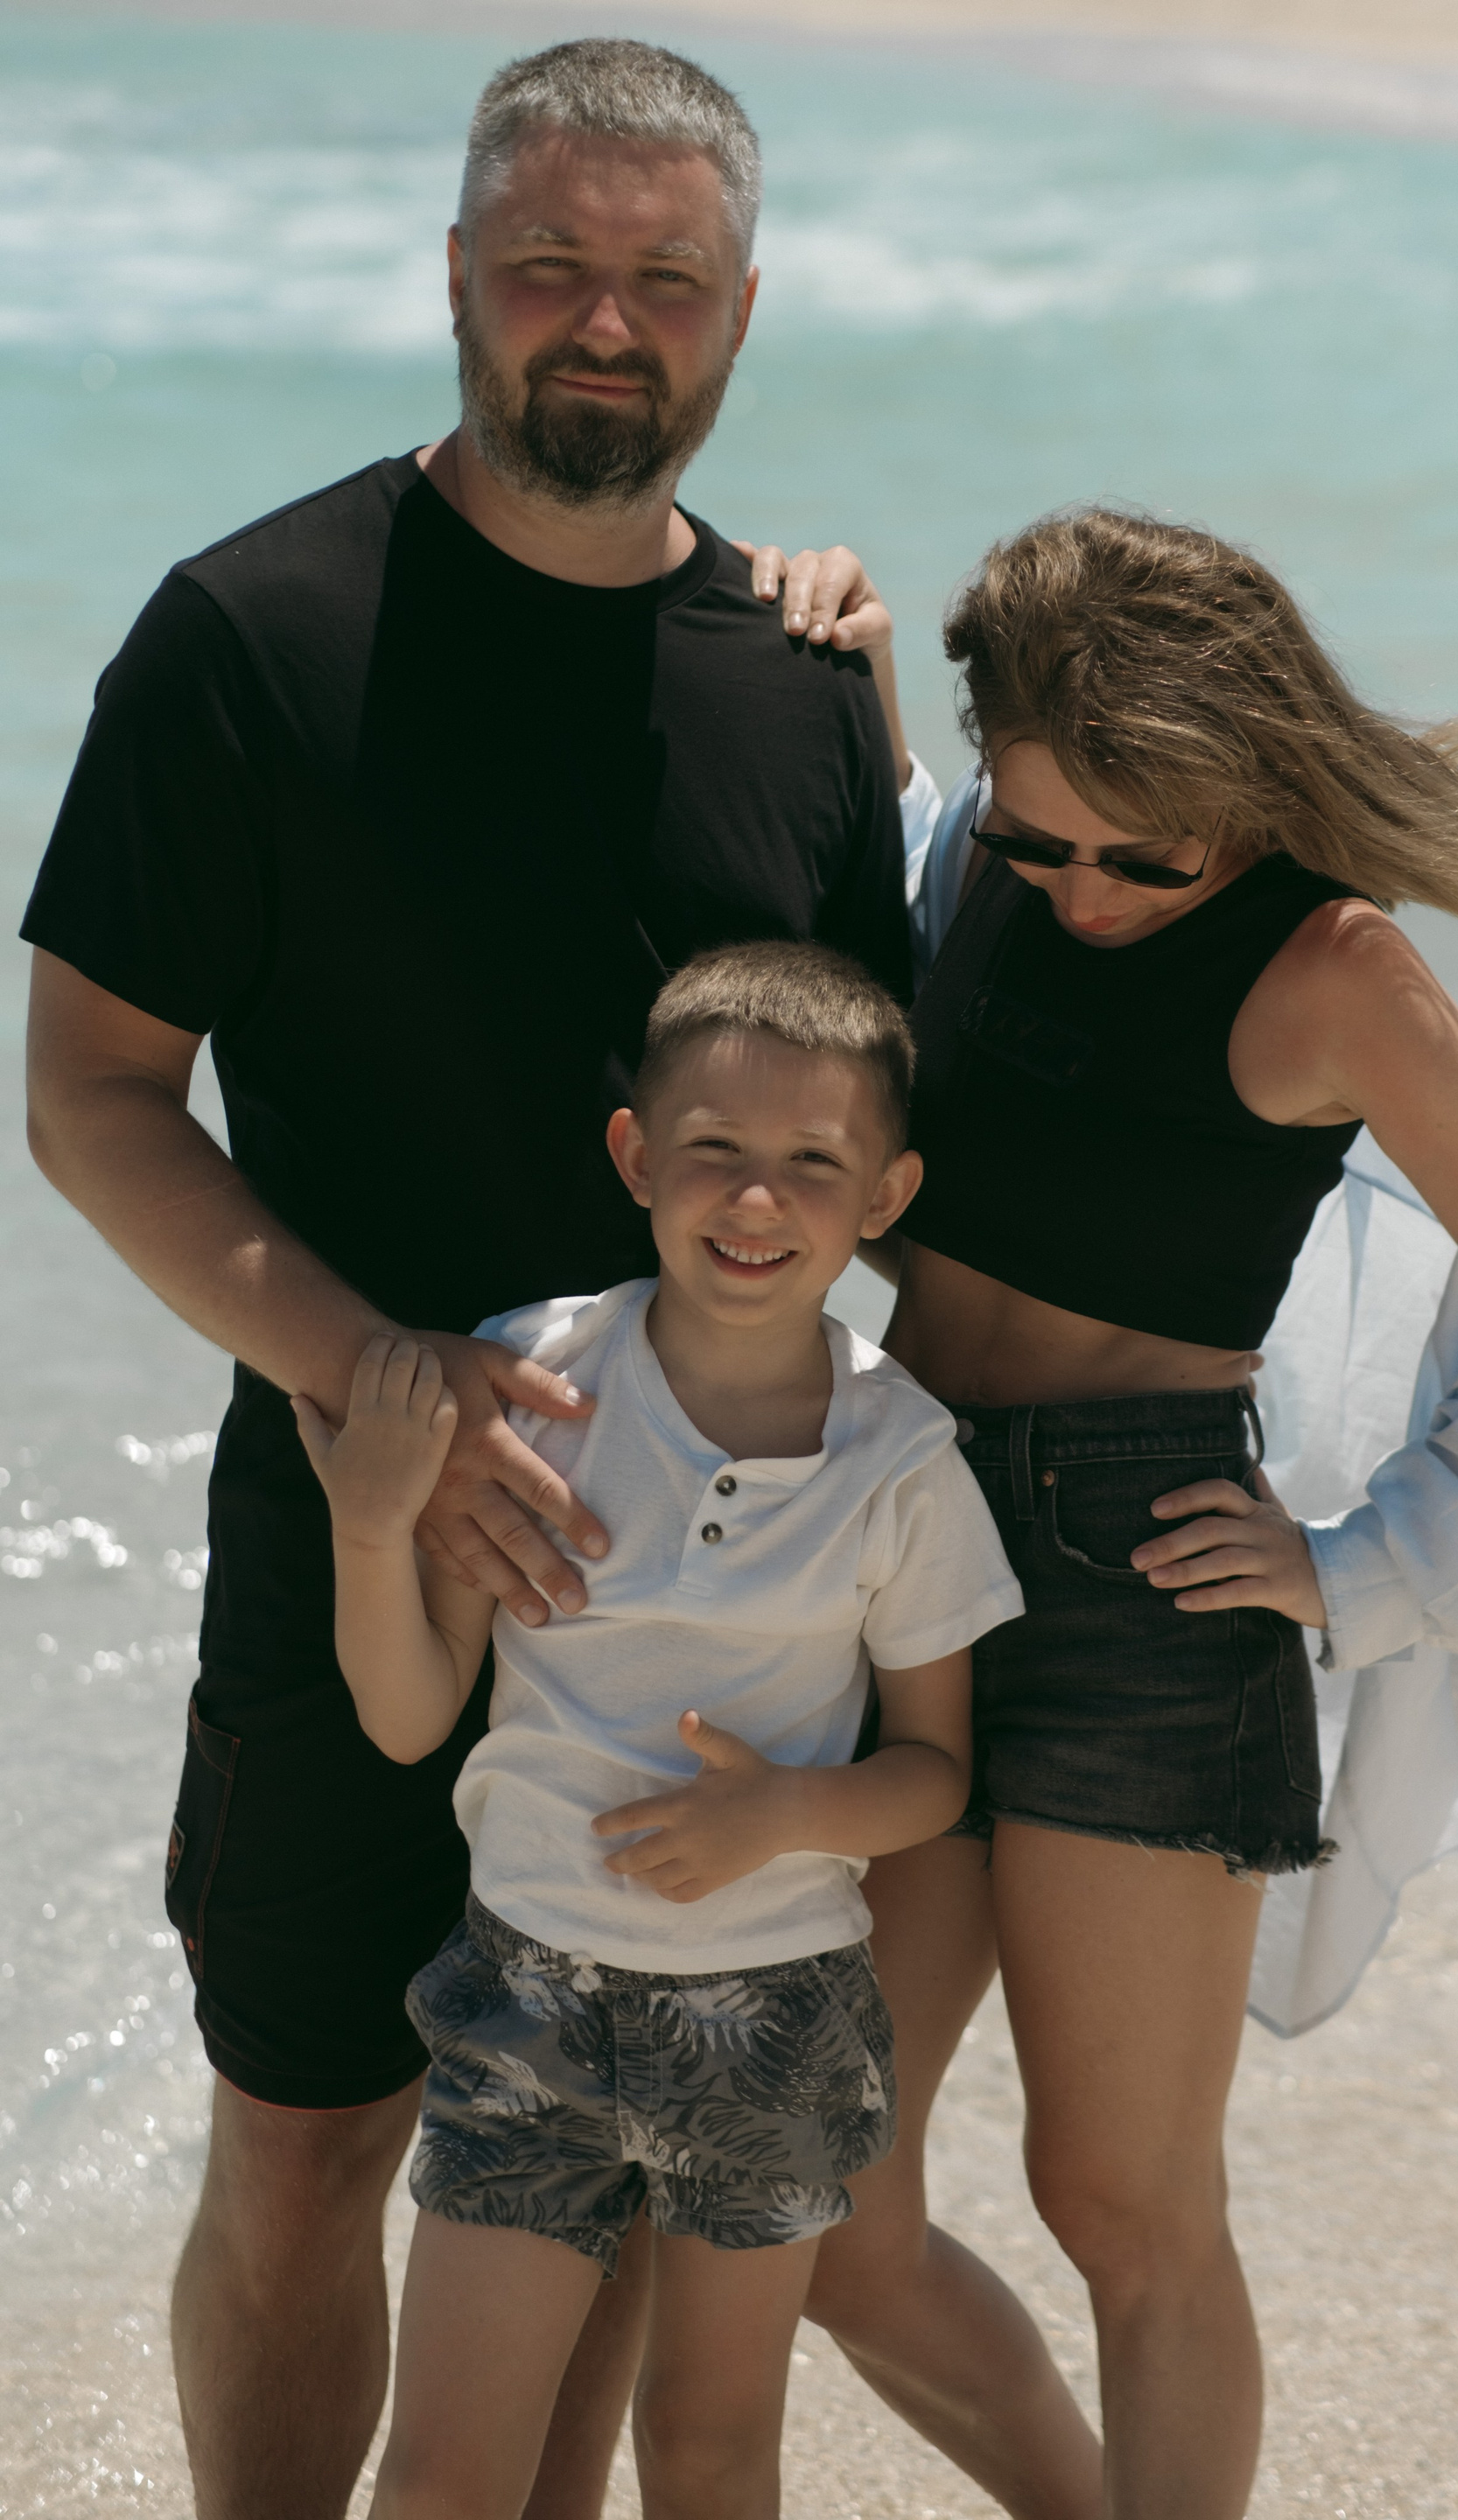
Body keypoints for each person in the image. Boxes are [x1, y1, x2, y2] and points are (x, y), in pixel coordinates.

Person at [20, 39, 914, 2520]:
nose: (604, 323)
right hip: (357, 1514)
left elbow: (870, 1123)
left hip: (704, 1584)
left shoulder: (802, 680)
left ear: (743, 312)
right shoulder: (247, 634)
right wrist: (381, 1389)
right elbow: (91, 1094)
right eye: (550, 265)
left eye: (665, 278)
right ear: (453, 278)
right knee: (310, 2142)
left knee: (609, 2157)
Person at [732, 508, 1458, 2520]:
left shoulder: (1337, 968)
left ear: (1244, 781)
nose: (1082, 890)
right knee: (816, 2196)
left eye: (1143, 857)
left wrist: (1360, 1565)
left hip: (1140, 1581)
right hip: (896, 1534)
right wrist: (853, 651)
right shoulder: (984, 865)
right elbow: (888, 884)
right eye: (1041, 841)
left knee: (1122, 2202)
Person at [291, 940, 1024, 2519]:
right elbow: (411, 1720)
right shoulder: (536, 1383)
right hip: (522, 1997)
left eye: (814, 1163)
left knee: (706, 2446)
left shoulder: (903, 1462)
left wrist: (784, 1816)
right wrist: (369, 1528)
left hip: (773, 2018)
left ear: (886, 1196)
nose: (757, 1198)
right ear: (635, 1156)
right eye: (715, 1149)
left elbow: (935, 1775)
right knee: (443, 2474)